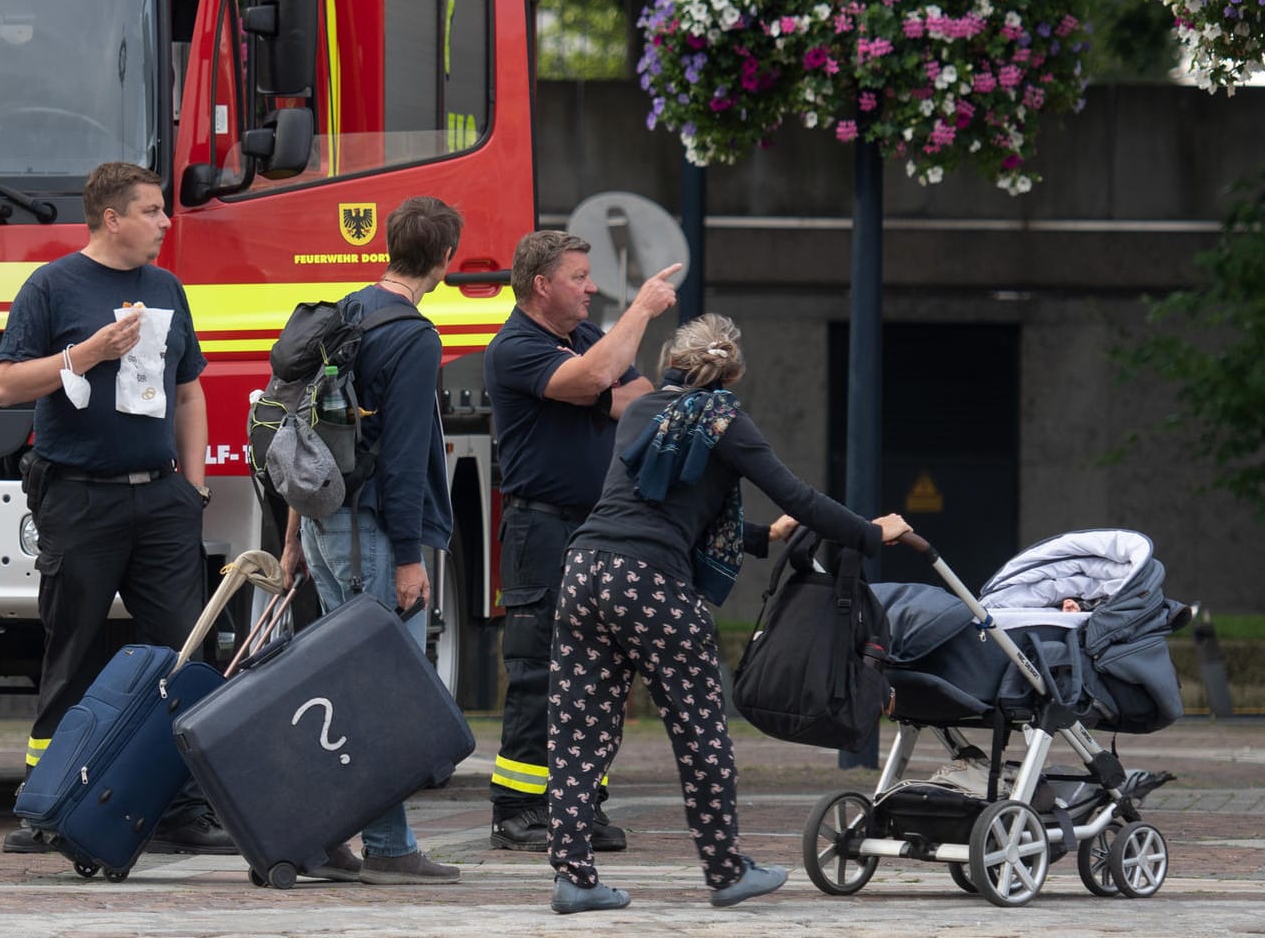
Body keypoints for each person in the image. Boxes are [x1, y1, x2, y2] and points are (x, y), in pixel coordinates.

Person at [544, 313, 912, 914]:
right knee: (700, 732)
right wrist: (871, 533)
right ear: (730, 374)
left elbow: (657, 506)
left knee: (581, 733)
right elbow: (802, 497)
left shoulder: (640, 413)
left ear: (671, 364)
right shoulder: (726, 421)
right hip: (652, 583)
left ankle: (573, 878)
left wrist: (763, 535)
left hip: (586, 570)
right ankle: (725, 868)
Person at [0, 161, 232, 855]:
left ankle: (186, 807)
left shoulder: (167, 289)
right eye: (153, 211)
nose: (166, 222)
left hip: (160, 500)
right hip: (78, 496)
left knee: (186, 652)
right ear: (112, 218)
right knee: (71, 652)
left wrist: (193, 488)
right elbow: (7, 385)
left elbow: (189, 393)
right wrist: (87, 353)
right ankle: (48, 806)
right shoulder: (52, 286)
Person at [277, 196, 465, 885]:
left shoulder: (346, 312)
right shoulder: (413, 337)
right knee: (383, 691)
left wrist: (295, 535)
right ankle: (382, 845)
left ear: (389, 246)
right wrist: (412, 561)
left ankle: (341, 836)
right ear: (444, 260)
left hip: (326, 523)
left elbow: (303, 433)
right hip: (375, 533)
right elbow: (407, 458)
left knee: (346, 685)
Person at [482, 230, 682, 852]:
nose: (592, 287)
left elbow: (642, 397)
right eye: (579, 277)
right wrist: (641, 312)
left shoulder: (583, 340)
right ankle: (518, 809)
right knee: (539, 672)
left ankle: (579, 803)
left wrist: (593, 392)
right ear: (542, 286)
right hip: (539, 528)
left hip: (594, 531)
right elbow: (600, 378)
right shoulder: (515, 346)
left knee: (596, 672)